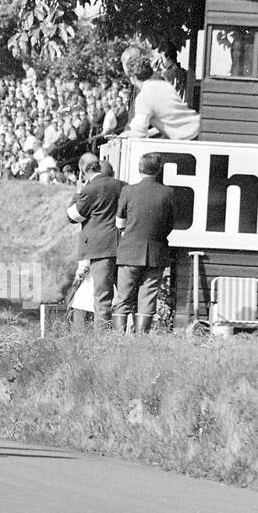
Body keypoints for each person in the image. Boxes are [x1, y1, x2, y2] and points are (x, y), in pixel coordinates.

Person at [113, 151, 176, 333]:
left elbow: (119, 223)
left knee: (123, 297)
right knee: (147, 299)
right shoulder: (168, 192)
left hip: (129, 252)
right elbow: (170, 225)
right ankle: (141, 339)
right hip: (156, 252)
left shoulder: (128, 190)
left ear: (139, 169)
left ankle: (118, 338)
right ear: (159, 170)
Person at [66, 152, 123, 327]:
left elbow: (73, 216)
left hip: (99, 248)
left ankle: (102, 335)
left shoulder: (90, 188)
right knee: (120, 295)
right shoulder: (122, 185)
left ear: (83, 170)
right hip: (120, 245)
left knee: (101, 295)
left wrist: (78, 192)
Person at [120, 46, 201, 141]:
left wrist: (123, 136)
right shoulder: (155, 84)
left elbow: (139, 132)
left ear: (133, 76)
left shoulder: (148, 92)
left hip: (185, 138)